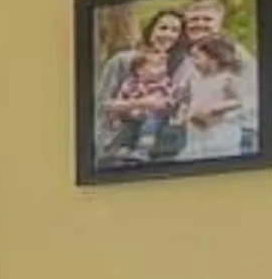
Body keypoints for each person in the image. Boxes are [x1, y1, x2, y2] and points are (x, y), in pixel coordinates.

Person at [97, 10, 188, 165]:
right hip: (117, 144)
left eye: (175, 30)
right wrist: (140, 104)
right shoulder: (122, 60)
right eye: (163, 28)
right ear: (151, 30)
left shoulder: (183, 65)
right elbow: (101, 104)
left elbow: (180, 107)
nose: (168, 35)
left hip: (164, 149)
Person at [177, 32, 255, 160]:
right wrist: (183, 111)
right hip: (195, 133)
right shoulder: (195, 80)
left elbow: (242, 101)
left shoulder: (227, 79)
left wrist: (218, 107)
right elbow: (188, 100)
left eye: (197, 57)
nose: (193, 62)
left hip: (220, 131)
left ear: (214, 59)